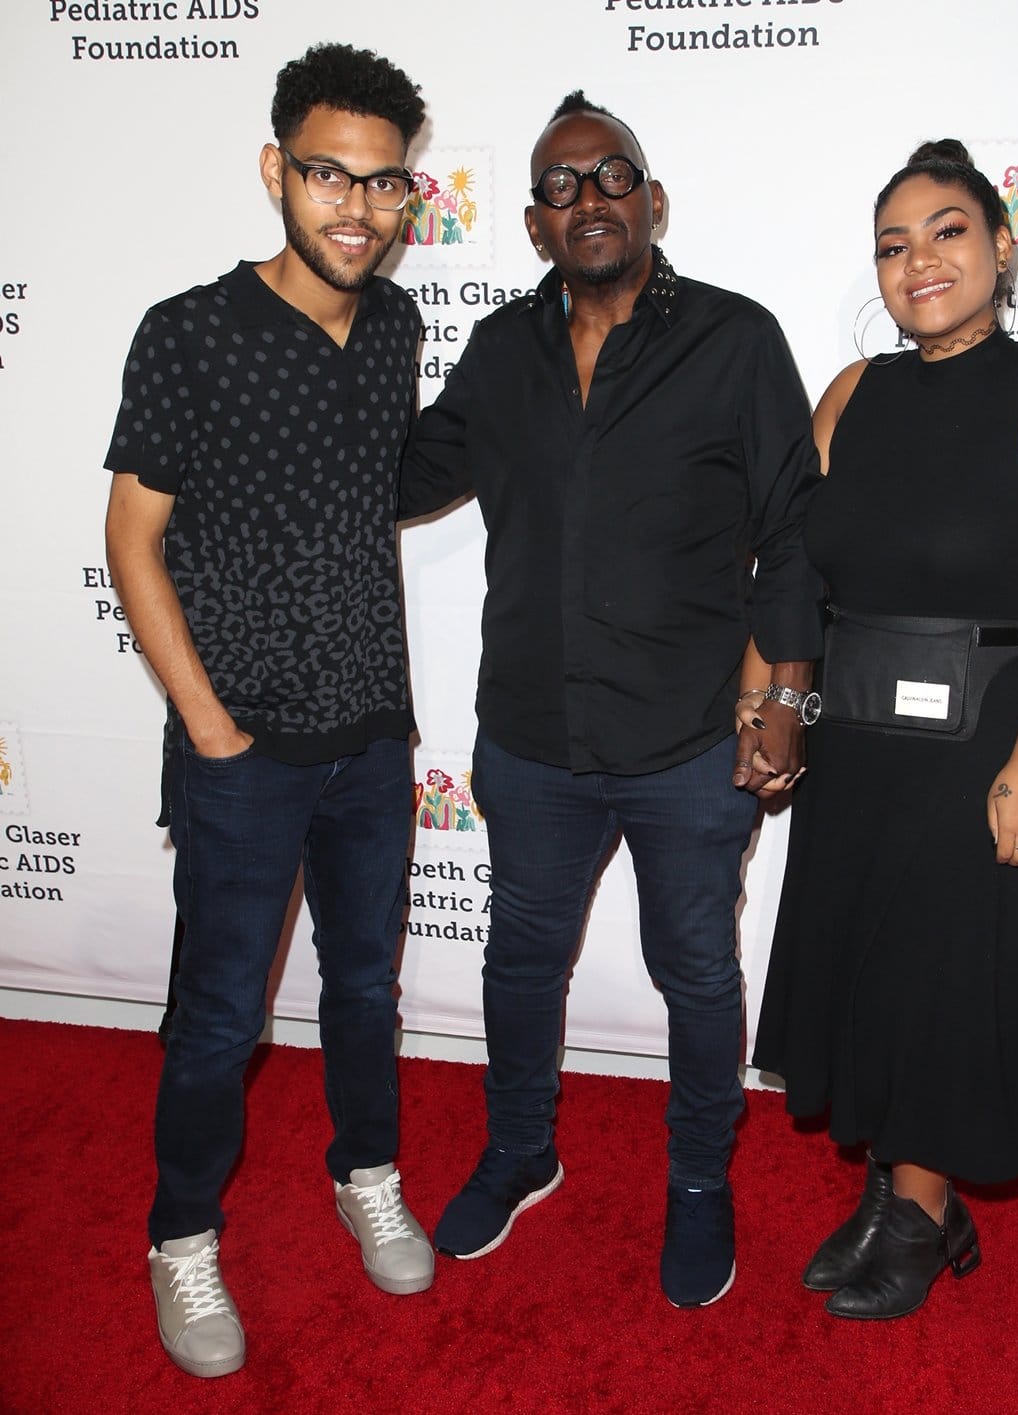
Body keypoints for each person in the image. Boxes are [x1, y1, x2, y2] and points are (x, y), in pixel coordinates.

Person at [398, 92, 825, 1308]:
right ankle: (524, 1149)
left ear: (653, 201)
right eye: (560, 186)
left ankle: (698, 1181)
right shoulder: (498, 350)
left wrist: (786, 694)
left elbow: (792, 529)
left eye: (610, 175)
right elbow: (413, 473)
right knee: (522, 962)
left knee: (694, 968)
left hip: (689, 738)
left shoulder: (735, 341)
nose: (587, 199)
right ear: (534, 225)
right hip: (530, 737)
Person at [749, 139, 1018, 1320]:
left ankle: (919, 1208)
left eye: (949, 230)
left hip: (980, 741)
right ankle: (897, 1191)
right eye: (894, 243)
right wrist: (778, 708)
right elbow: (792, 572)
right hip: (856, 733)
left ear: (1004, 246)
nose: (920, 261)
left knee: (945, 977)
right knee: (867, 960)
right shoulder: (853, 393)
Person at [104, 43, 434, 1378]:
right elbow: (133, 537)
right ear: (276, 172)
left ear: (410, 196)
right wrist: (209, 722)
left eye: (381, 183)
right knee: (219, 1014)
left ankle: (367, 1168)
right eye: (326, 175)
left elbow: (362, 493)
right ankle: (182, 1231)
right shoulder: (190, 330)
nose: (354, 208)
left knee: (363, 985)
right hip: (241, 748)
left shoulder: (402, 328)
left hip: (372, 734)